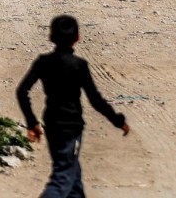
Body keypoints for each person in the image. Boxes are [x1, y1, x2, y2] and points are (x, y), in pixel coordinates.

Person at [16, 15, 129, 198]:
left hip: (52, 125)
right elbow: (95, 99)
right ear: (77, 38)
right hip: (71, 128)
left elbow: (22, 91)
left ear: (50, 37)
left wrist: (32, 122)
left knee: (73, 177)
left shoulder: (43, 62)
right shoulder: (78, 65)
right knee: (62, 178)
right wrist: (117, 121)